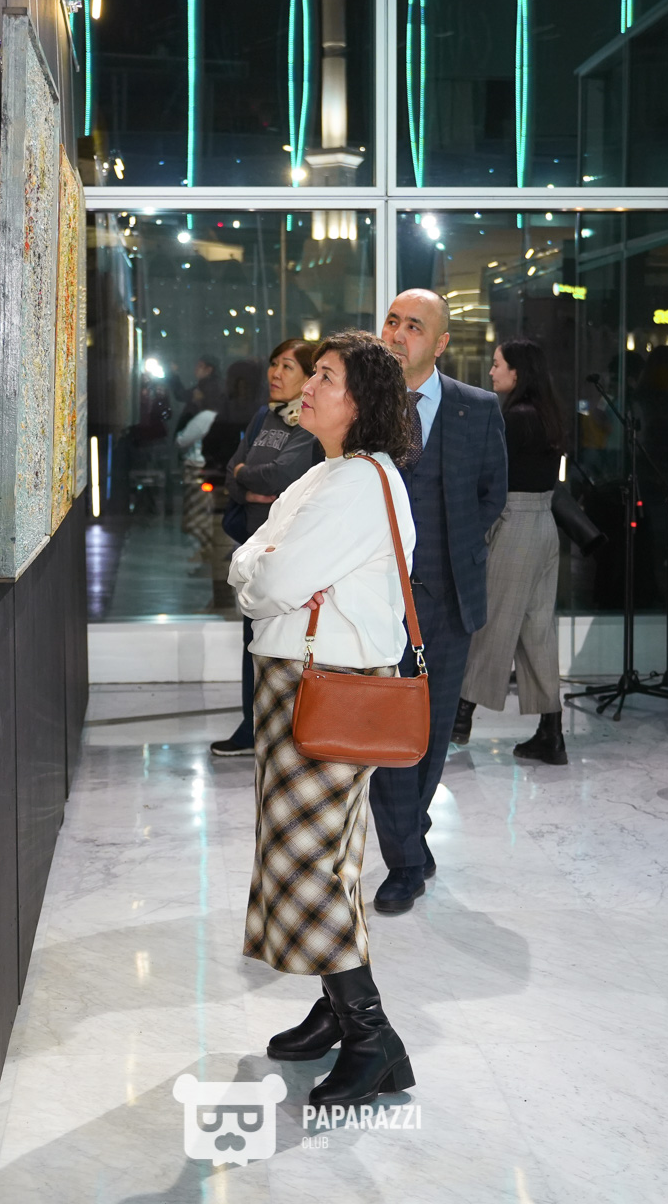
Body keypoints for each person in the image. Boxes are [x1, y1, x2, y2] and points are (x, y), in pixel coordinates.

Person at [228, 331, 417, 1107]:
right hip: (301, 679)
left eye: (327, 378)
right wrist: (261, 570)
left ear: (360, 402)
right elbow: (250, 559)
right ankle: (337, 1011)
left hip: (327, 684)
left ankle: (371, 1038)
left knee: (307, 861)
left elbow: (273, 583)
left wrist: (263, 574)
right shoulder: (327, 473)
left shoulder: (356, 484)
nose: (307, 386)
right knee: (316, 855)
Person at [368, 289, 507, 914]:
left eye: (415, 326)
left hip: (450, 600)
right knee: (387, 737)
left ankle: (411, 834)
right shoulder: (362, 405)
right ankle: (405, 863)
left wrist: (455, 552)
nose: (398, 335)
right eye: (392, 322)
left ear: (442, 342)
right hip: (375, 602)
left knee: (430, 735)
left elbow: (491, 495)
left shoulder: (477, 408)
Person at [452, 339, 567, 764]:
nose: (491, 371)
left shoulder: (514, 419)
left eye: (498, 364)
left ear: (517, 372)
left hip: (515, 522)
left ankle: (460, 717)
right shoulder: (547, 415)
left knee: (492, 623)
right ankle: (551, 732)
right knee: (537, 631)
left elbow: (490, 476)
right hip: (544, 523)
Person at [210, 339, 323, 757]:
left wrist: (252, 479)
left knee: (284, 644)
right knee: (252, 641)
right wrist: (247, 485)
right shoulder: (263, 415)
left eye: (288, 366)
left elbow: (280, 475)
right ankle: (251, 726)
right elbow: (231, 473)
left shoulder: (307, 422)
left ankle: (288, 729)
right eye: (274, 364)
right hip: (252, 548)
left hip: (286, 552)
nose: (275, 373)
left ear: (308, 377)